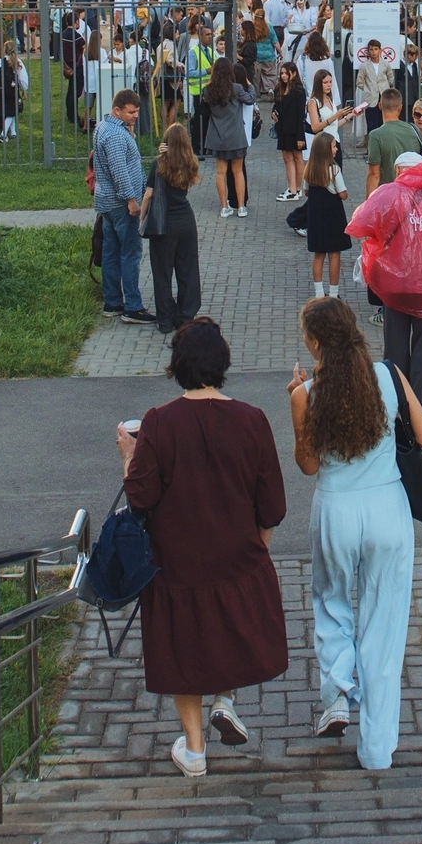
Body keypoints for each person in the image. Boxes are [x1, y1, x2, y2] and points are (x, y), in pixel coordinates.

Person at [118, 319, 288, 780]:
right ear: (223, 364)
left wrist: (128, 456)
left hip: (176, 563)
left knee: (184, 649)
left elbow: (140, 497)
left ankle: (194, 750)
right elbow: (272, 505)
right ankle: (226, 699)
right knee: (227, 628)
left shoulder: (158, 421)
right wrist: (257, 548)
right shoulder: (252, 419)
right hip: (235, 554)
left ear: (177, 366)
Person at [287, 296, 422, 772]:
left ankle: (336, 691)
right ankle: (375, 751)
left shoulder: (306, 392)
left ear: (313, 342)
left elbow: (308, 465)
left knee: (331, 602)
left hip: (336, 510)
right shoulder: (389, 376)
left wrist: (298, 403)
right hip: (388, 510)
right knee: (385, 627)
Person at [349, 150, 422, 415]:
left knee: (396, 343)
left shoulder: (386, 195)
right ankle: (419, 401)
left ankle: (395, 398)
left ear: (398, 170)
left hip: (395, 285)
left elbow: (359, 226)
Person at [92, 90, 154, 322]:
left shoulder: (102, 127)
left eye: (137, 111)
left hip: (106, 202)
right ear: (117, 110)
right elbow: (119, 171)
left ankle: (112, 302)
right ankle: (133, 306)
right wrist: (131, 200)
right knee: (130, 253)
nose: (135, 115)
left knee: (110, 251)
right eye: (131, 112)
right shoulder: (117, 135)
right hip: (121, 204)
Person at [149, 122, 204, 334]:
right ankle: (185, 315)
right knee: (188, 270)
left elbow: (149, 195)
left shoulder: (159, 163)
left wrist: (142, 218)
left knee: (163, 272)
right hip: (186, 221)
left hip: (164, 223)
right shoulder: (191, 162)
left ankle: (164, 319)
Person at [197, 55, 250, 218]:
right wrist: (249, 84)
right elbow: (250, 99)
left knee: (220, 172)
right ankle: (241, 207)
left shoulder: (208, 89)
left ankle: (224, 206)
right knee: (237, 171)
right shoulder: (236, 88)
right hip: (236, 135)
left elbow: (202, 111)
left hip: (217, 135)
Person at [303, 133, 353, 295]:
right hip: (333, 216)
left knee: (318, 254)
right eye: (333, 146)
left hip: (316, 216)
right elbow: (343, 194)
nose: (336, 149)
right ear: (325, 150)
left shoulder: (309, 170)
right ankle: (333, 292)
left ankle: (318, 292)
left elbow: (306, 192)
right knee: (334, 254)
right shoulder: (334, 170)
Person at [363, 88, 420, 191]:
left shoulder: (376, 135)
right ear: (400, 108)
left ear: (380, 106)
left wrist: (368, 203)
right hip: (412, 191)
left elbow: (374, 174)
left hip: (387, 193)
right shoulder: (414, 130)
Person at [272, 63, 309, 201]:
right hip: (283, 128)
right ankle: (293, 188)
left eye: (286, 73)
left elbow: (301, 115)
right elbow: (276, 106)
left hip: (295, 129)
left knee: (297, 157)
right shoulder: (279, 89)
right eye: (282, 73)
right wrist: (273, 112)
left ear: (293, 73)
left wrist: (300, 136)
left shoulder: (299, 91)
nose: (283, 76)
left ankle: (295, 189)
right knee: (288, 158)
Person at [0, 40, 29, 141]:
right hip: (12, 91)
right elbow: (22, 79)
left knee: (9, 111)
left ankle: (13, 132)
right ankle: (3, 135)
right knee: (11, 112)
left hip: (0, 91)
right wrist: (24, 89)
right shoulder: (18, 62)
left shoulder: (0, 62)